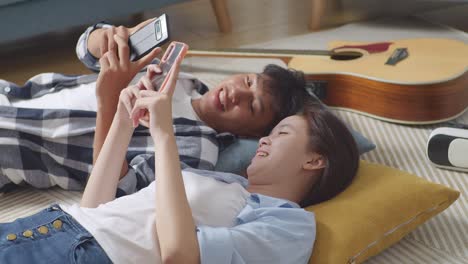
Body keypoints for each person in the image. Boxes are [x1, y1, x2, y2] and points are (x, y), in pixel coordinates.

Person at [0, 53, 359, 264]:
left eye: (280, 133)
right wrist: (123, 123)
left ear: (315, 159)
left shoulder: (292, 226)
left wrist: (163, 134)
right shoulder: (225, 182)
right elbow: (96, 208)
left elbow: (180, 256)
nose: (264, 140)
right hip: (56, 225)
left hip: (86, 253)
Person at [0, 18, 308, 195]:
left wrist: (111, 100)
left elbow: (116, 190)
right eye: (249, 81)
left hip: (10, 149)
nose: (237, 93)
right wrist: (110, 38)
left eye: (252, 107)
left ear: (253, 134)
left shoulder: (197, 150)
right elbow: (86, 50)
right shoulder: (178, 75)